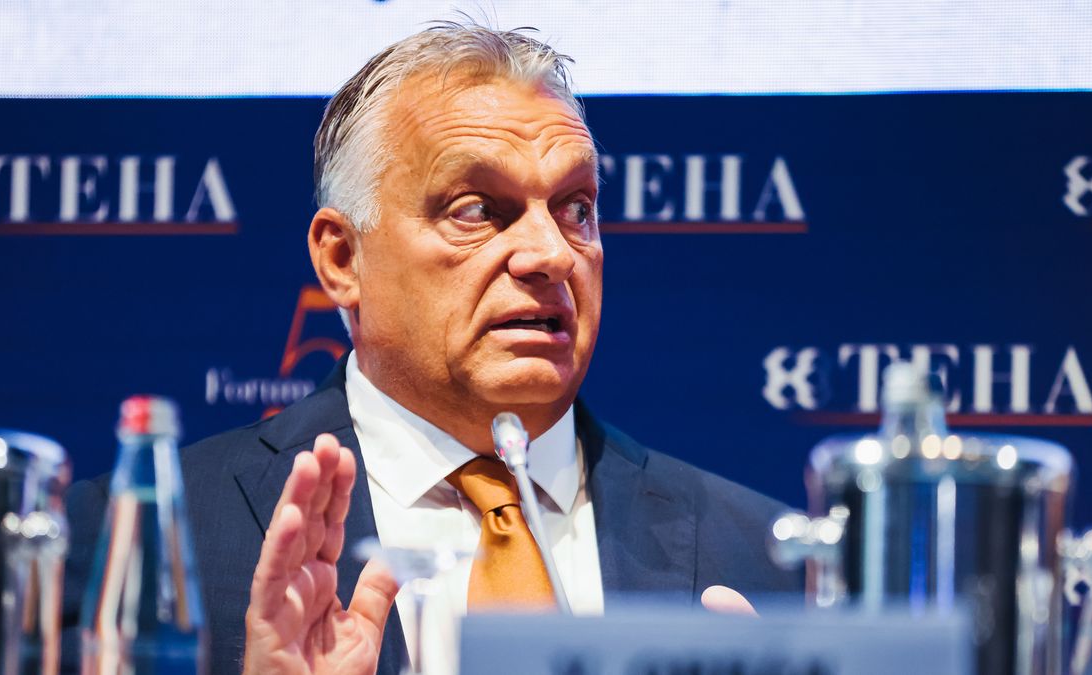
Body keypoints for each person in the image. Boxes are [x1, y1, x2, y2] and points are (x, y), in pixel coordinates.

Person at [62, 20, 799, 675]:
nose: (550, 253)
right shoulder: (131, 539)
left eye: (576, 208)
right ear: (342, 260)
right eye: (477, 209)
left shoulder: (768, 561)